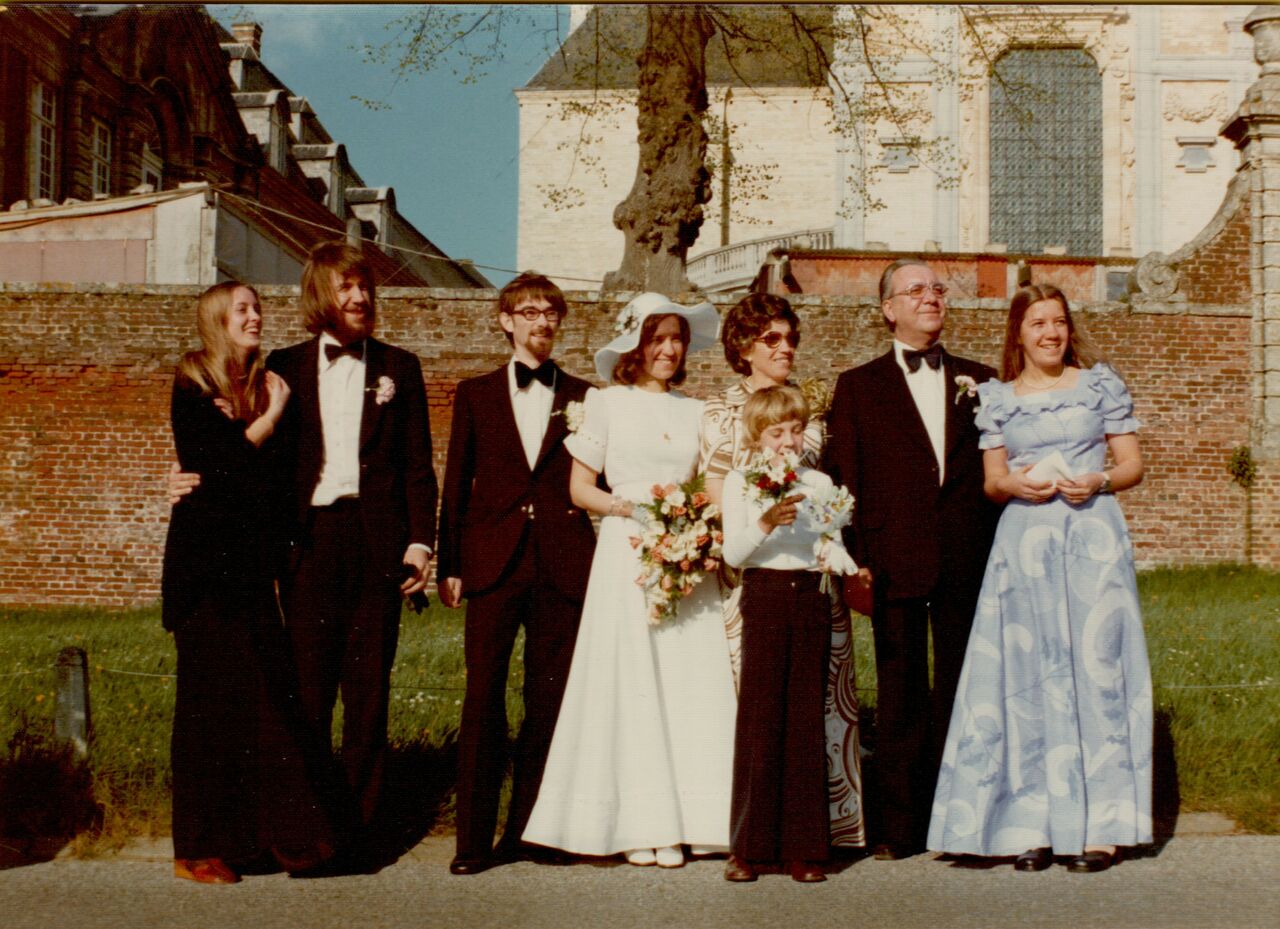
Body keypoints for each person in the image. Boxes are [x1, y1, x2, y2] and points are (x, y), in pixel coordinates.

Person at [169, 242, 438, 838]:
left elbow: (419, 467)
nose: (360, 297)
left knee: (369, 696)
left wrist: (420, 543)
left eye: (365, 287)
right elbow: (244, 459)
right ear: (322, 296)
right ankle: (310, 832)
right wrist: (186, 476)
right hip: (307, 544)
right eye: (346, 288)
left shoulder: (402, 368)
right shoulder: (281, 369)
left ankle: (361, 836)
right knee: (306, 694)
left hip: (377, 544)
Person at [928, 285, 1151, 874]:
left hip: (1091, 540)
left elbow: (1131, 464)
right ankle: (1031, 823)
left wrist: (1100, 481)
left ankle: (1102, 827)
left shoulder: (1098, 384)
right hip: (1026, 543)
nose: (1049, 333)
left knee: (1096, 670)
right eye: (1037, 323)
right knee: (1027, 678)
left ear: (1067, 329)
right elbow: (991, 481)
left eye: (1058, 322)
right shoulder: (998, 398)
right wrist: (1014, 486)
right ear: (1018, 333)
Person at [523, 293, 737, 868]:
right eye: (657, 339)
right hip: (629, 550)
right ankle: (639, 823)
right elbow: (579, 487)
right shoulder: (607, 403)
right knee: (633, 683)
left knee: (685, 682)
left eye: (677, 340)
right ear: (634, 347)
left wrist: (691, 528)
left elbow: (707, 485)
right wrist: (629, 512)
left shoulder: (697, 411)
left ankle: (696, 820)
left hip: (686, 557)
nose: (668, 350)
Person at [161, 282, 340, 884]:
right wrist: (268, 422)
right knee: (206, 713)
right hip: (202, 573)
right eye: (243, 309)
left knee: (264, 706)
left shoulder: (266, 382)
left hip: (251, 571)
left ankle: (268, 840)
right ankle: (194, 850)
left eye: (258, 307)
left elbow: (254, 478)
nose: (255, 316)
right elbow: (216, 469)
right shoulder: (194, 380)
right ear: (217, 320)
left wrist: (250, 435)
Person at [823, 258, 1000, 859]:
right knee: (899, 695)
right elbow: (841, 479)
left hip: (966, 559)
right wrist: (855, 561)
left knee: (962, 688)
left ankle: (961, 822)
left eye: (938, 289)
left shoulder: (982, 380)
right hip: (892, 560)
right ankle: (898, 828)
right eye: (916, 289)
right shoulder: (858, 386)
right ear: (888, 309)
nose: (932, 297)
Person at [437, 273, 596, 875]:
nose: (542, 322)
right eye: (529, 311)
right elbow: (456, 483)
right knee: (483, 699)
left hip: (562, 562)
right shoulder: (475, 393)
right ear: (506, 321)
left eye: (551, 312)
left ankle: (535, 831)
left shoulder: (584, 395)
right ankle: (472, 842)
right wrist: (449, 562)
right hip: (493, 562)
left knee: (549, 701)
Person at [699, 292, 865, 849]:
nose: (785, 347)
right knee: (757, 712)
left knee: (810, 709)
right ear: (742, 348)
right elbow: (717, 493)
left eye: (791, 337)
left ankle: (817, 836)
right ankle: (749, 838)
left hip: (810, 569)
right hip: (749, 572)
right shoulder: (720, 411)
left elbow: (827, 497)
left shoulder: (807, 409)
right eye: (772, 339)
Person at [720, 386, 862, 884]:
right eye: (777, 433)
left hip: (810, 595)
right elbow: (735, 554)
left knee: (804, 718)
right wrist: (765, 520)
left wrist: (842, 560)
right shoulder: (742, 482)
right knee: (761, 718)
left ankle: (805, 847)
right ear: (758, 438)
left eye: (796, 430)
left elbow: (830, 538)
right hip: (765, 593)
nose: (789, 442)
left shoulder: (819, 481)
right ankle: (749, 848)